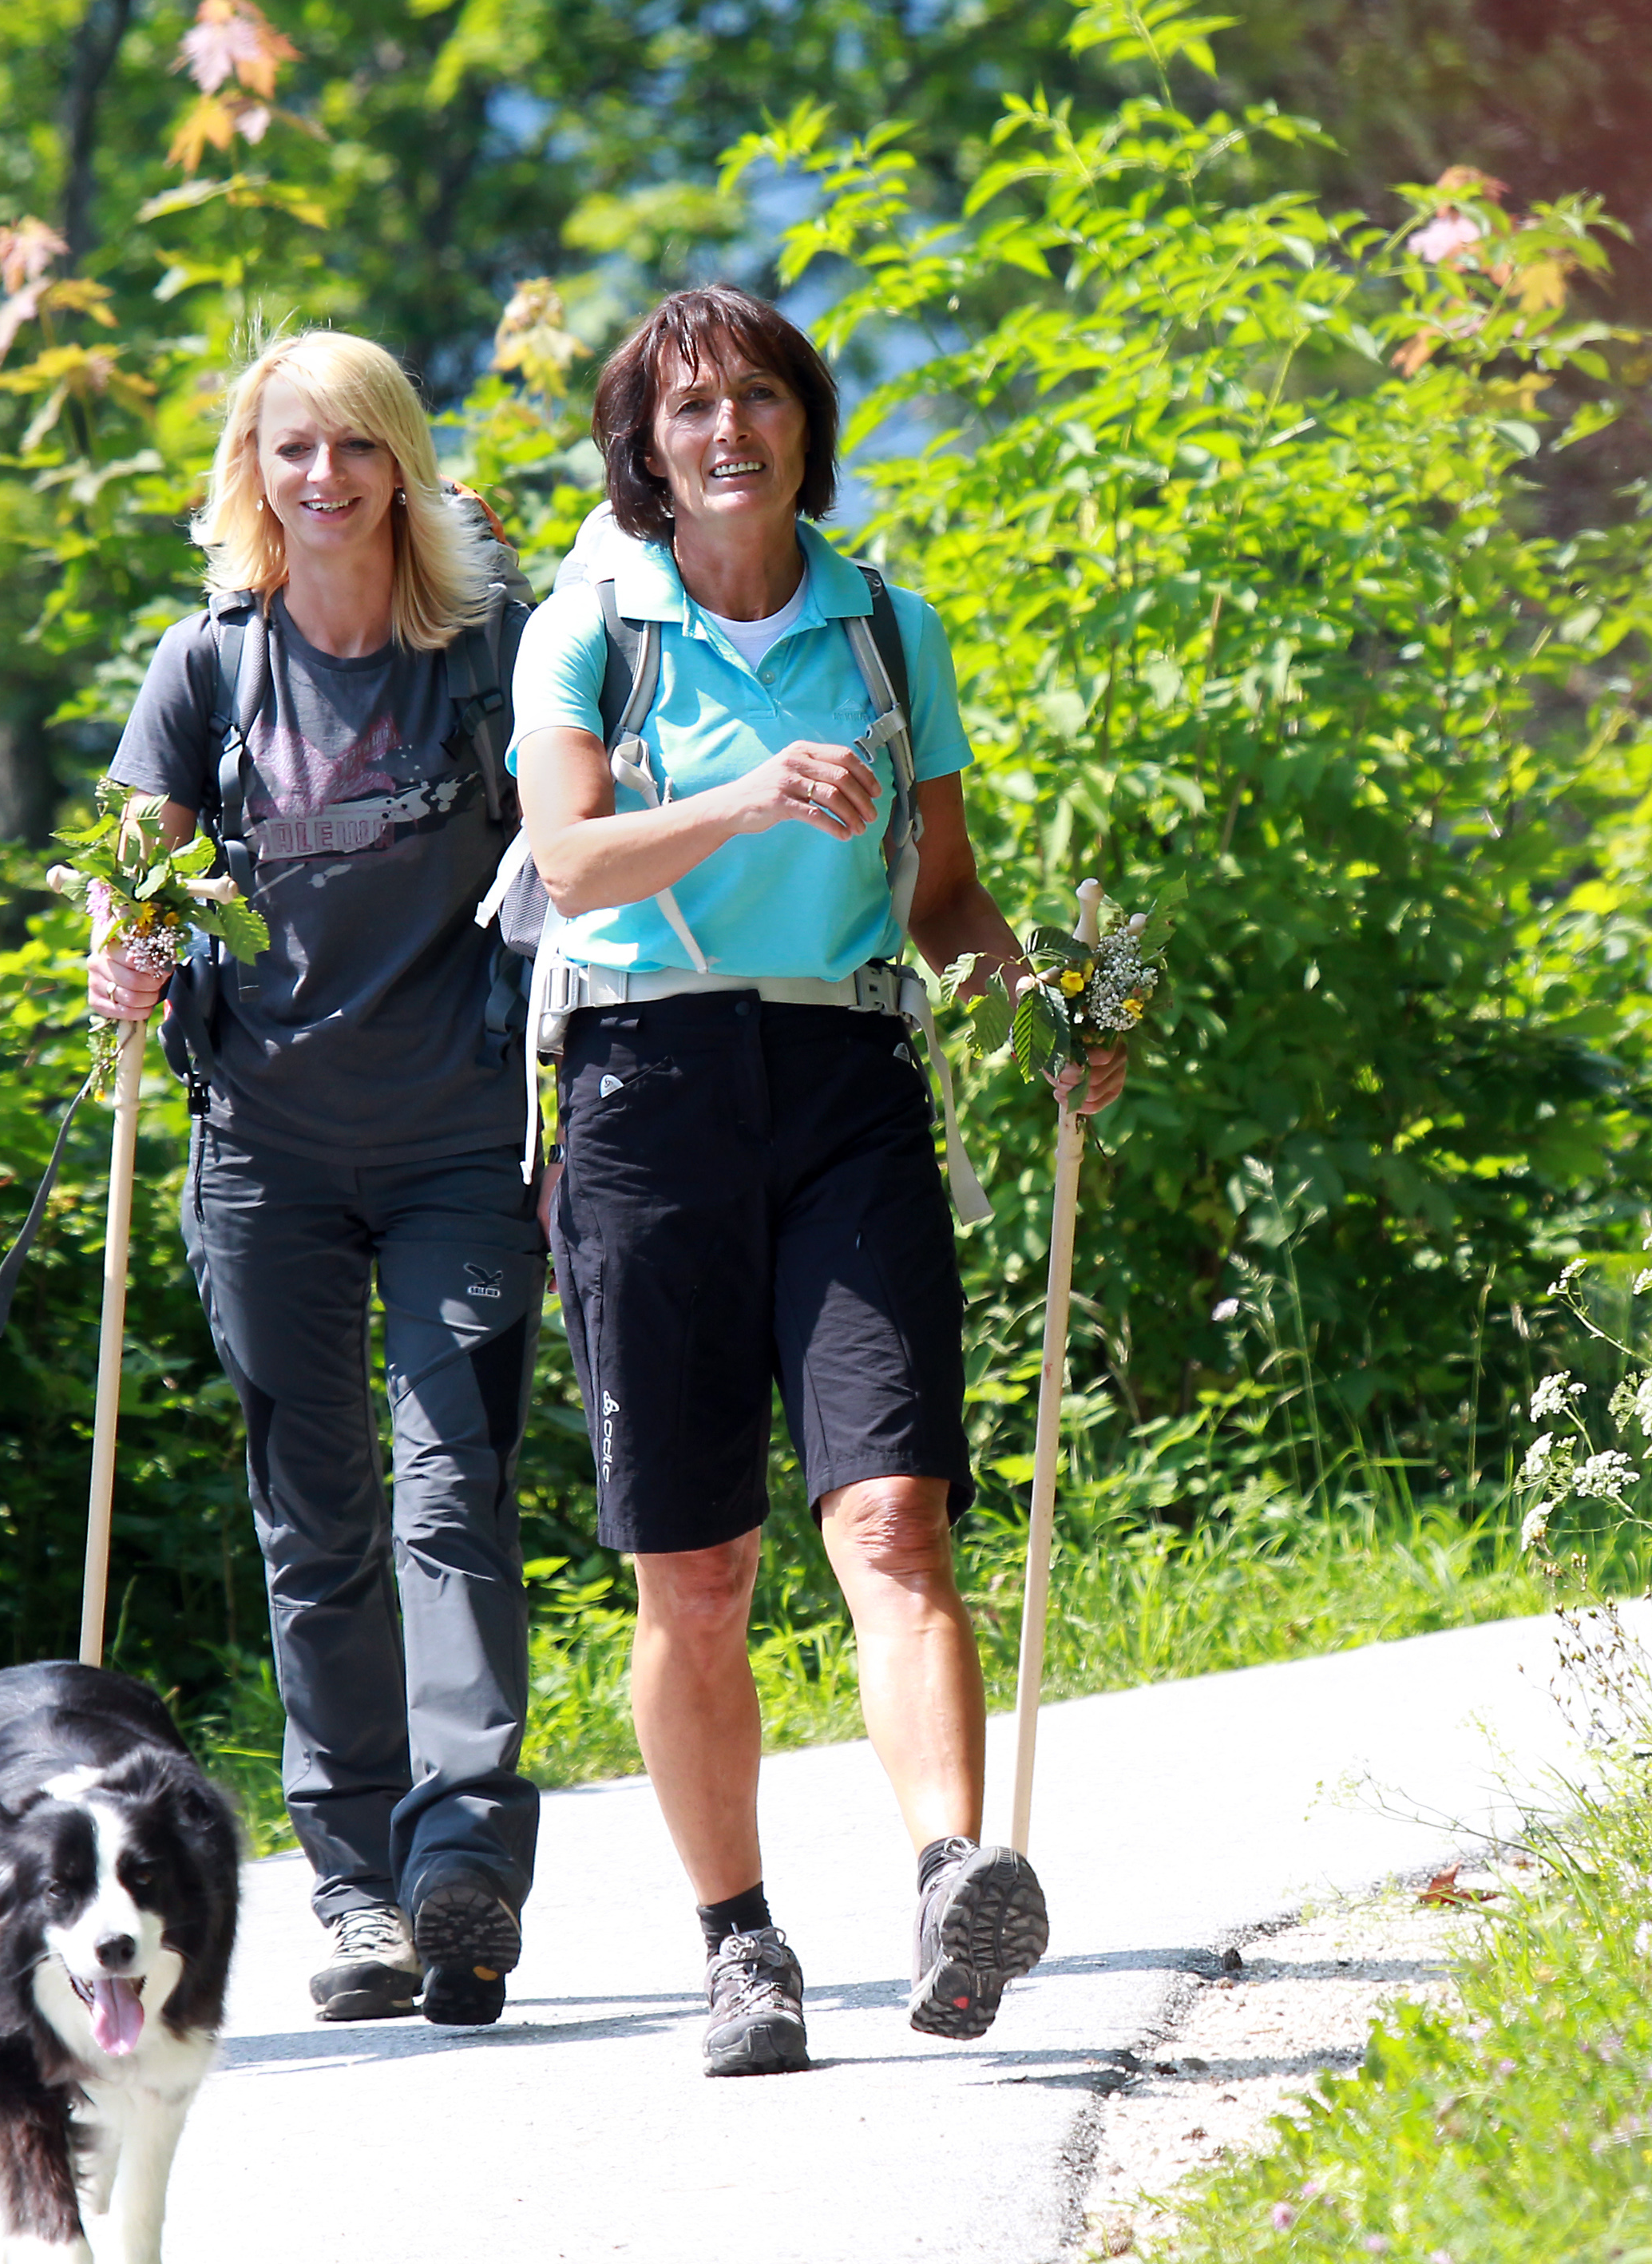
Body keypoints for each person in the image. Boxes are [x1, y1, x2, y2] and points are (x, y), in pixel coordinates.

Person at [509, 283, 1126, 2078]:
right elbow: (565, 854)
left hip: (847, 1076)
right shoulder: (587, 628)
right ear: (643, 447)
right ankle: (739, 1944)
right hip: (639, 1086)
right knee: (692, 1569)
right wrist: (743, 798)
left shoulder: (885, 628)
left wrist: (1042, 999)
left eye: (758, 399)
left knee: (892, 1511)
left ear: (803, 424)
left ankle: (952, 1879)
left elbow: (938, 892)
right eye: (689, 410)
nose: (727, 433)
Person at [86, 331, 544, 2028]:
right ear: (252, 471)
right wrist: (120, 961)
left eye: (356, 445)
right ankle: (350, 1879)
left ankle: (461, 1861)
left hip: (455, 1137)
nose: (325, 477)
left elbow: (566, 836)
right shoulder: (205, 669)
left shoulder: (484, 653)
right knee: (314, 1518)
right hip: (261, 1146)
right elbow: (126, 882)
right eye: (293, 449)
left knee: (450, 1489)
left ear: (403, 465)